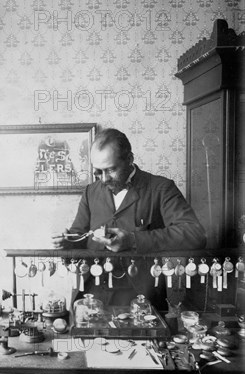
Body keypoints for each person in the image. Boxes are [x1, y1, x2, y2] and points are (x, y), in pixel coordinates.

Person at [52, 128, 207, 308]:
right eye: (98, 172)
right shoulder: (90, 192)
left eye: (111, 170)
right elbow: (78, 238)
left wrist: (133, 240)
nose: (103, 179)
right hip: (92, 293)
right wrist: (67, 243)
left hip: (143, 297)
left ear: (130, 159)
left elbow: (195, 234)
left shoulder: (161, 188)